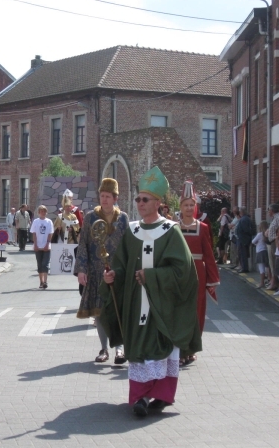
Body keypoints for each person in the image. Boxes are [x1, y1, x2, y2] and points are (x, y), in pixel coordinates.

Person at [101, 166, 200, 417]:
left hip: (162, 306)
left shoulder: (171, 231)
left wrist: (152, 276)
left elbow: (183, 271)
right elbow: (122, 264)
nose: (140, 203)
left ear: (158, 202)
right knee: (139, 348)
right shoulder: (132, 232)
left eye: (145, 199)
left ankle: (163, 395)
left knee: (161, 349)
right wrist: (114, 276)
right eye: (138, 199)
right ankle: (140, 397)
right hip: (137, 304)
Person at [75, 178, 128, 364]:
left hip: (117, 273)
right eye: (102, 196)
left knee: (118, 310)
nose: (104, 199)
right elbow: (83, 245)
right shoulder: (90, 218)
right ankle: (104, 349)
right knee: (99, 312)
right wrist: (81, 269)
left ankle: (120, 350)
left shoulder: (123, 219)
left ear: (115, 198)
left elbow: (128, 246)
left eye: (108, 196)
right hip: (96, 272)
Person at [177, 180, 219, 366]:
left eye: (191, 205)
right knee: (179, 311)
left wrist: (212, 279)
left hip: (198, 275)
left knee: (197, 311)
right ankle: (179, 349)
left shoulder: (202, 228)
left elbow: (208, 255)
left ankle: (191, 348)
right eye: (185, 205)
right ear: (180, 206)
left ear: (195, 206)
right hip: (178, 273)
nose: (188, 208)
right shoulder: (173, 227)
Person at [30, 205, 54, 289]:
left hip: (46, 246)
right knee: (39, 264)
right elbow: (34, 233)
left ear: (46, 212)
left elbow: (50, 233)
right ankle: (41, 281)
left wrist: (47, 244)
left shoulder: (49, 222)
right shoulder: (36, 221)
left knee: (45, 264)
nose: (43, 213)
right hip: (38, 246)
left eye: (44, 211)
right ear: (39, 212)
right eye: (41, 211)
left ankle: (45, 281)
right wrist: (35, 244)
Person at [265, 203, 279, 290]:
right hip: (272, 242)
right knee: (272, 263)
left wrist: (277, 239)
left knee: (276, 263)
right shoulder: (275, 218)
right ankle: (274, 282)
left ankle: (276, 283)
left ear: (272, 210)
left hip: (276, 242)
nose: (268, 212)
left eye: (269, 210)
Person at [236, 207, 255, 273]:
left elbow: (246, 229)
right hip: (243, 239)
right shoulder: (245, 218)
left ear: (242, 212)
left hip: (243, 239)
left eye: (240, 212)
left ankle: (244, 268)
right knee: (242, 253)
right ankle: (243, 267)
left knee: (242, 254)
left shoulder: (244, 219)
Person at [252, 221, 270, 288]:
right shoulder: (266, 234)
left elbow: (253, 241)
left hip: (259, 252)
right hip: (265, 251)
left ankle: (262, 283)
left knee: (261, 268)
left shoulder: (259, 234)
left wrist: (257, 243)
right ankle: (268, 280)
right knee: (267, 267)